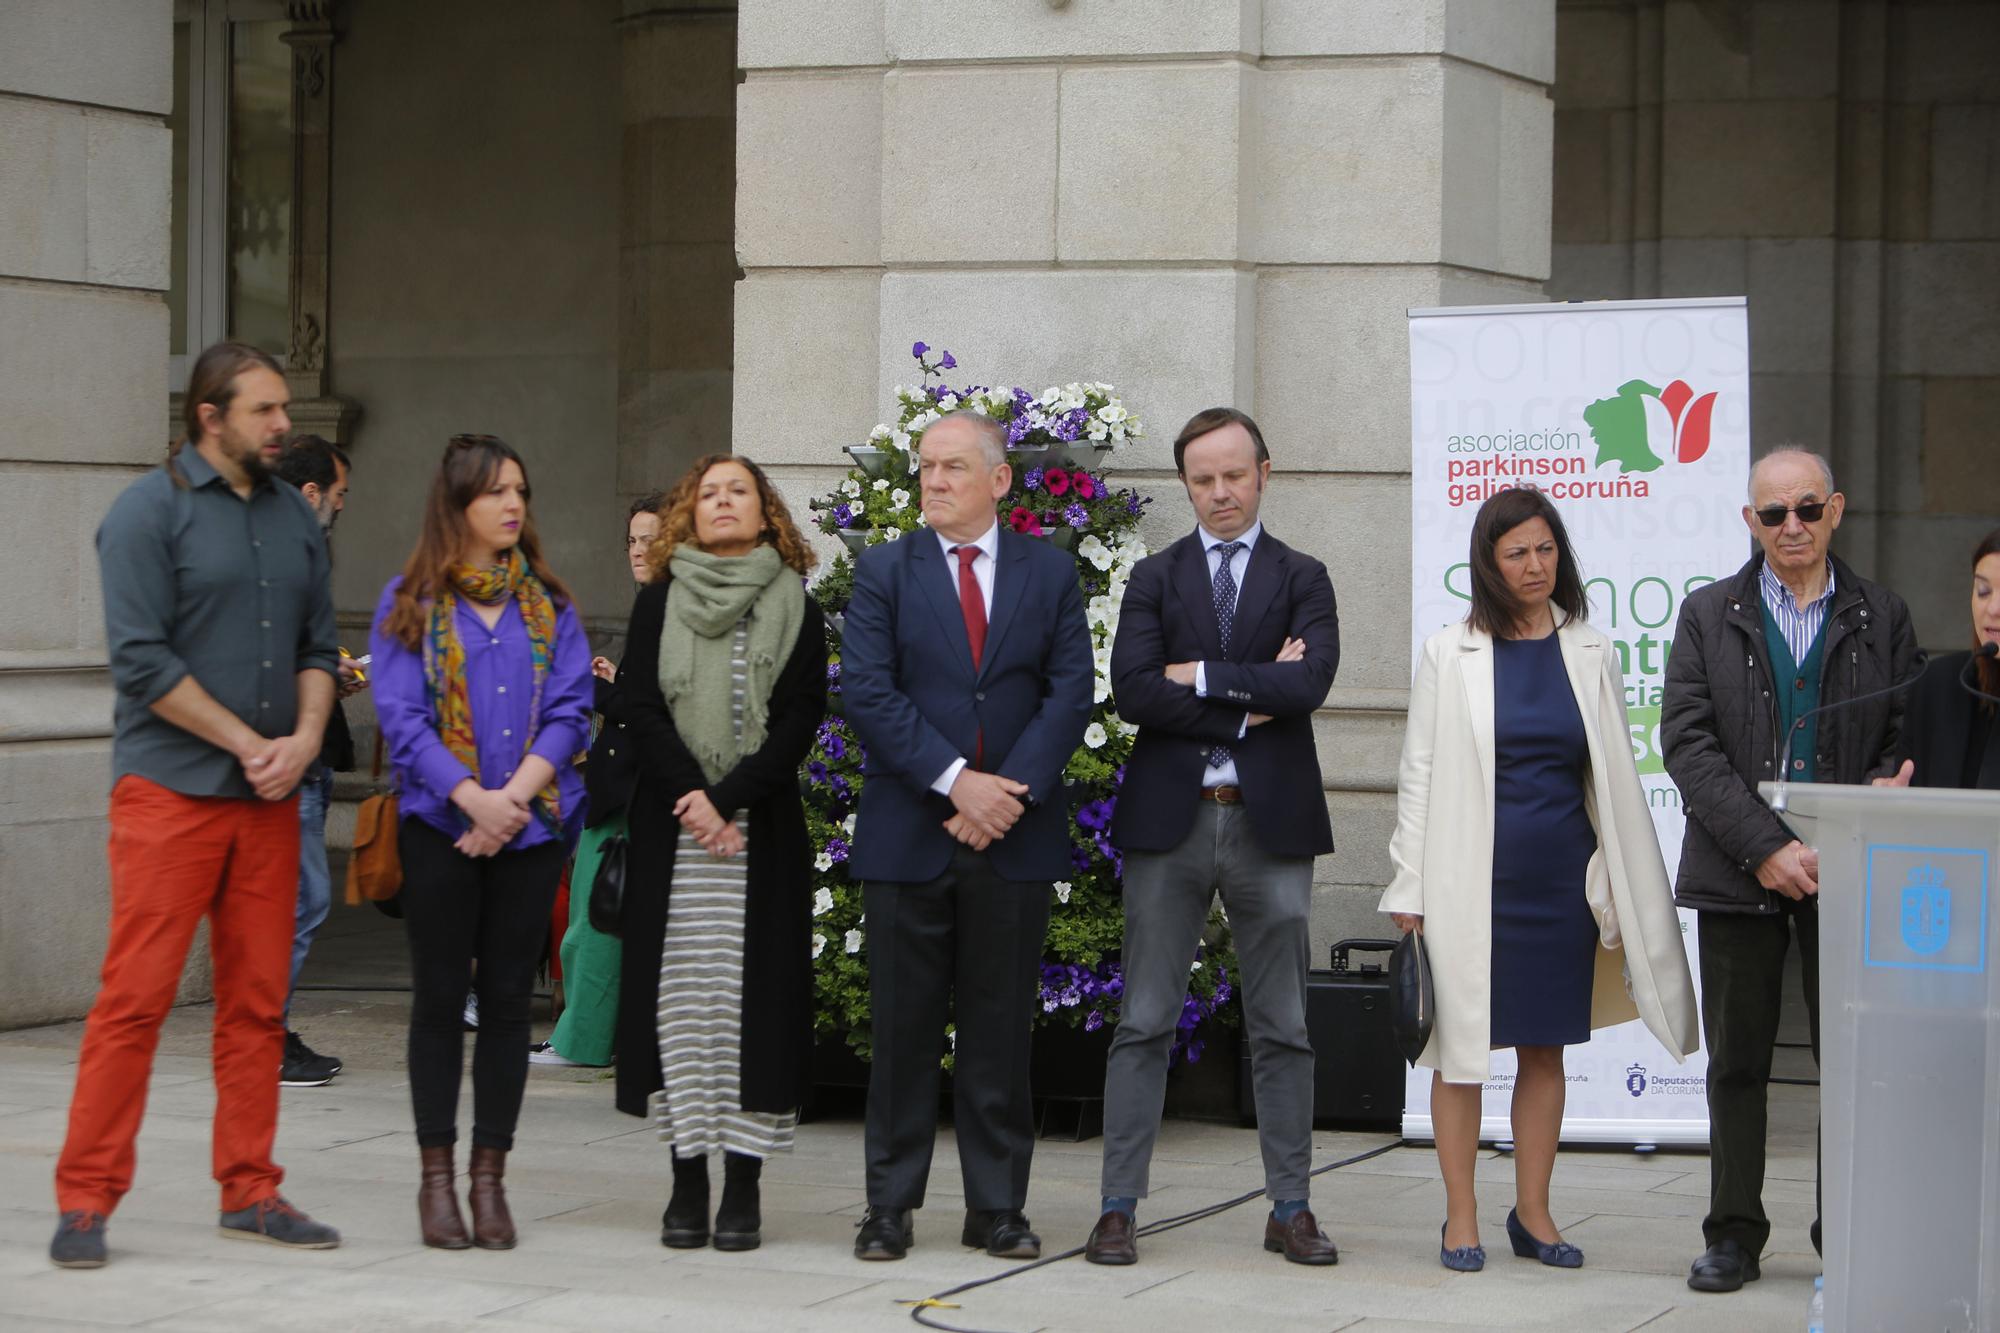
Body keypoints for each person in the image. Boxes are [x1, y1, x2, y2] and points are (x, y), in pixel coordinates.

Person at [50, 342, 343, 1269]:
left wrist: (300, 738)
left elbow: (319, 647)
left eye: (283, 407)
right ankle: (87, 1200)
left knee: (256, 1004)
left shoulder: (296, 522)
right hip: (170, 793)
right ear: (210, 417)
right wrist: (249, 743)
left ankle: (251, 1189)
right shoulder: (146, 512)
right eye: (264, 409)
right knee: (133, 1001)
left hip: (268, 796)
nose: (283, 423)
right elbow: (141, 662)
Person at [1381, 486, 1698, 1274]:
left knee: (1544, 1050)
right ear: (1489, 562)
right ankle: (1461, 1216)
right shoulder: (1446, 650)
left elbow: (1613, 778)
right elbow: (1417, 775)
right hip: (1465, 884)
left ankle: (1534, 1210)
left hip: (1561, 881)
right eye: (1517, 551)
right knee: (1461, 1056)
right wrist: (1408, 886)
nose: (1534, 564)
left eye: (1546, 548)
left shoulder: (1590, 647)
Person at [1088, 407, 1342, 1267]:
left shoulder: (1304, 574)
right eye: (1203, 479)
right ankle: (1119, 1205)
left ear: (1264, 472)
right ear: (1186, 484)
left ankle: (1291, 1206)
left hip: (1270, 823)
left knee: (1284, 1024)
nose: (1221, 493)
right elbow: (1131, 689)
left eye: (1234, 475)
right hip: (1172, 822)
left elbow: (1310, 680)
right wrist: (1250, 694)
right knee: (1144, 1018)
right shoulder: (1156, 578)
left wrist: (1196, 676)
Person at [840, 410, 1094, 1263]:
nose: (933, 481)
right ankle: (888, 1207)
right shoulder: (882, 570)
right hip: (911, 832)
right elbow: (870, 694)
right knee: (903, 1032)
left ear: (999, 480)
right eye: (925, 467)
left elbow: (1068, 694)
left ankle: (997, 1208)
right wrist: (958, 784)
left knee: (998, 1032)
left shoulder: (1052, 574)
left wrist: (1006, 793)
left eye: (952, 466)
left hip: (1011, 837)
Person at [1661, 446, 1916, 1293]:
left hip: (1849, 874)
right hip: (1740, 874)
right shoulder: (1707, 614)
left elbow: (1902, 736)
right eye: (1774, 513)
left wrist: (1860, 815)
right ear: (1750, 520)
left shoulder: (1884, 615)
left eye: (1808, 507)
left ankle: (1843, 1229)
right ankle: (1733, 1232)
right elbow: (1688, 746)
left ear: (1836, 508)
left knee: (1850, 1058)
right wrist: (1766, 847)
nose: (1792, 526)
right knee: (1737, 1060)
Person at [369, 434, 592, 1251]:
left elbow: (572, 712)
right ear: (456, 503)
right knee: (437, 1000)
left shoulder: (550, 605)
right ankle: (436, 1181)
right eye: (495, 491)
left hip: (530, 833)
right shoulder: (412, 601)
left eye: (520, 491)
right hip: (440, 831)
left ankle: (489, 1180)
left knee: (505, 1004)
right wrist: (472, 800)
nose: (511, 505)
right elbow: (400, 717)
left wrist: (512, 801)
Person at [611, 457, 826, 1252]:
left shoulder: (795, 605)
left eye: (740, 490)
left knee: (751, 1012)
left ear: (765, 512)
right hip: (678, 834)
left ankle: (742, 1185)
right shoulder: (658, 600)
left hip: (757, 836)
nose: (724, 500)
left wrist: (727, 798)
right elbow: (637, 704)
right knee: (683, 1008)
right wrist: (695, 801)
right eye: (709, 492)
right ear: (688, 514)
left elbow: (802, 719)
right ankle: (686, 1179)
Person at [529, 492, 666, 1069]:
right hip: (623, 787)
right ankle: (587, 1037)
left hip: (629, 791)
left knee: (595, 920)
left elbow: (654, 706)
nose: (638, 550)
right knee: (597, 915)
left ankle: (582, 1042)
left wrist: (593, 688)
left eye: (649, 539)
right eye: (632, 540)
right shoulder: (659, 603)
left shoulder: (669, 605)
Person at [270, 434, 363, 1087]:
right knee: (302, 900)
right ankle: (263, 1035)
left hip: (311, 751)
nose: (342, 506)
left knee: (300, 900)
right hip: (292, 755)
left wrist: (332, 671)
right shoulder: (279, 551)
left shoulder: (301, 551)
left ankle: (265, 1031)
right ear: (312, 493)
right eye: (340, 494)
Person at [1895, 528, 2000, 790]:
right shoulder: (1937, 685)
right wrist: (1892, 802)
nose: (1993, 609)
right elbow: (1907, 789)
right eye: (1983, 591)